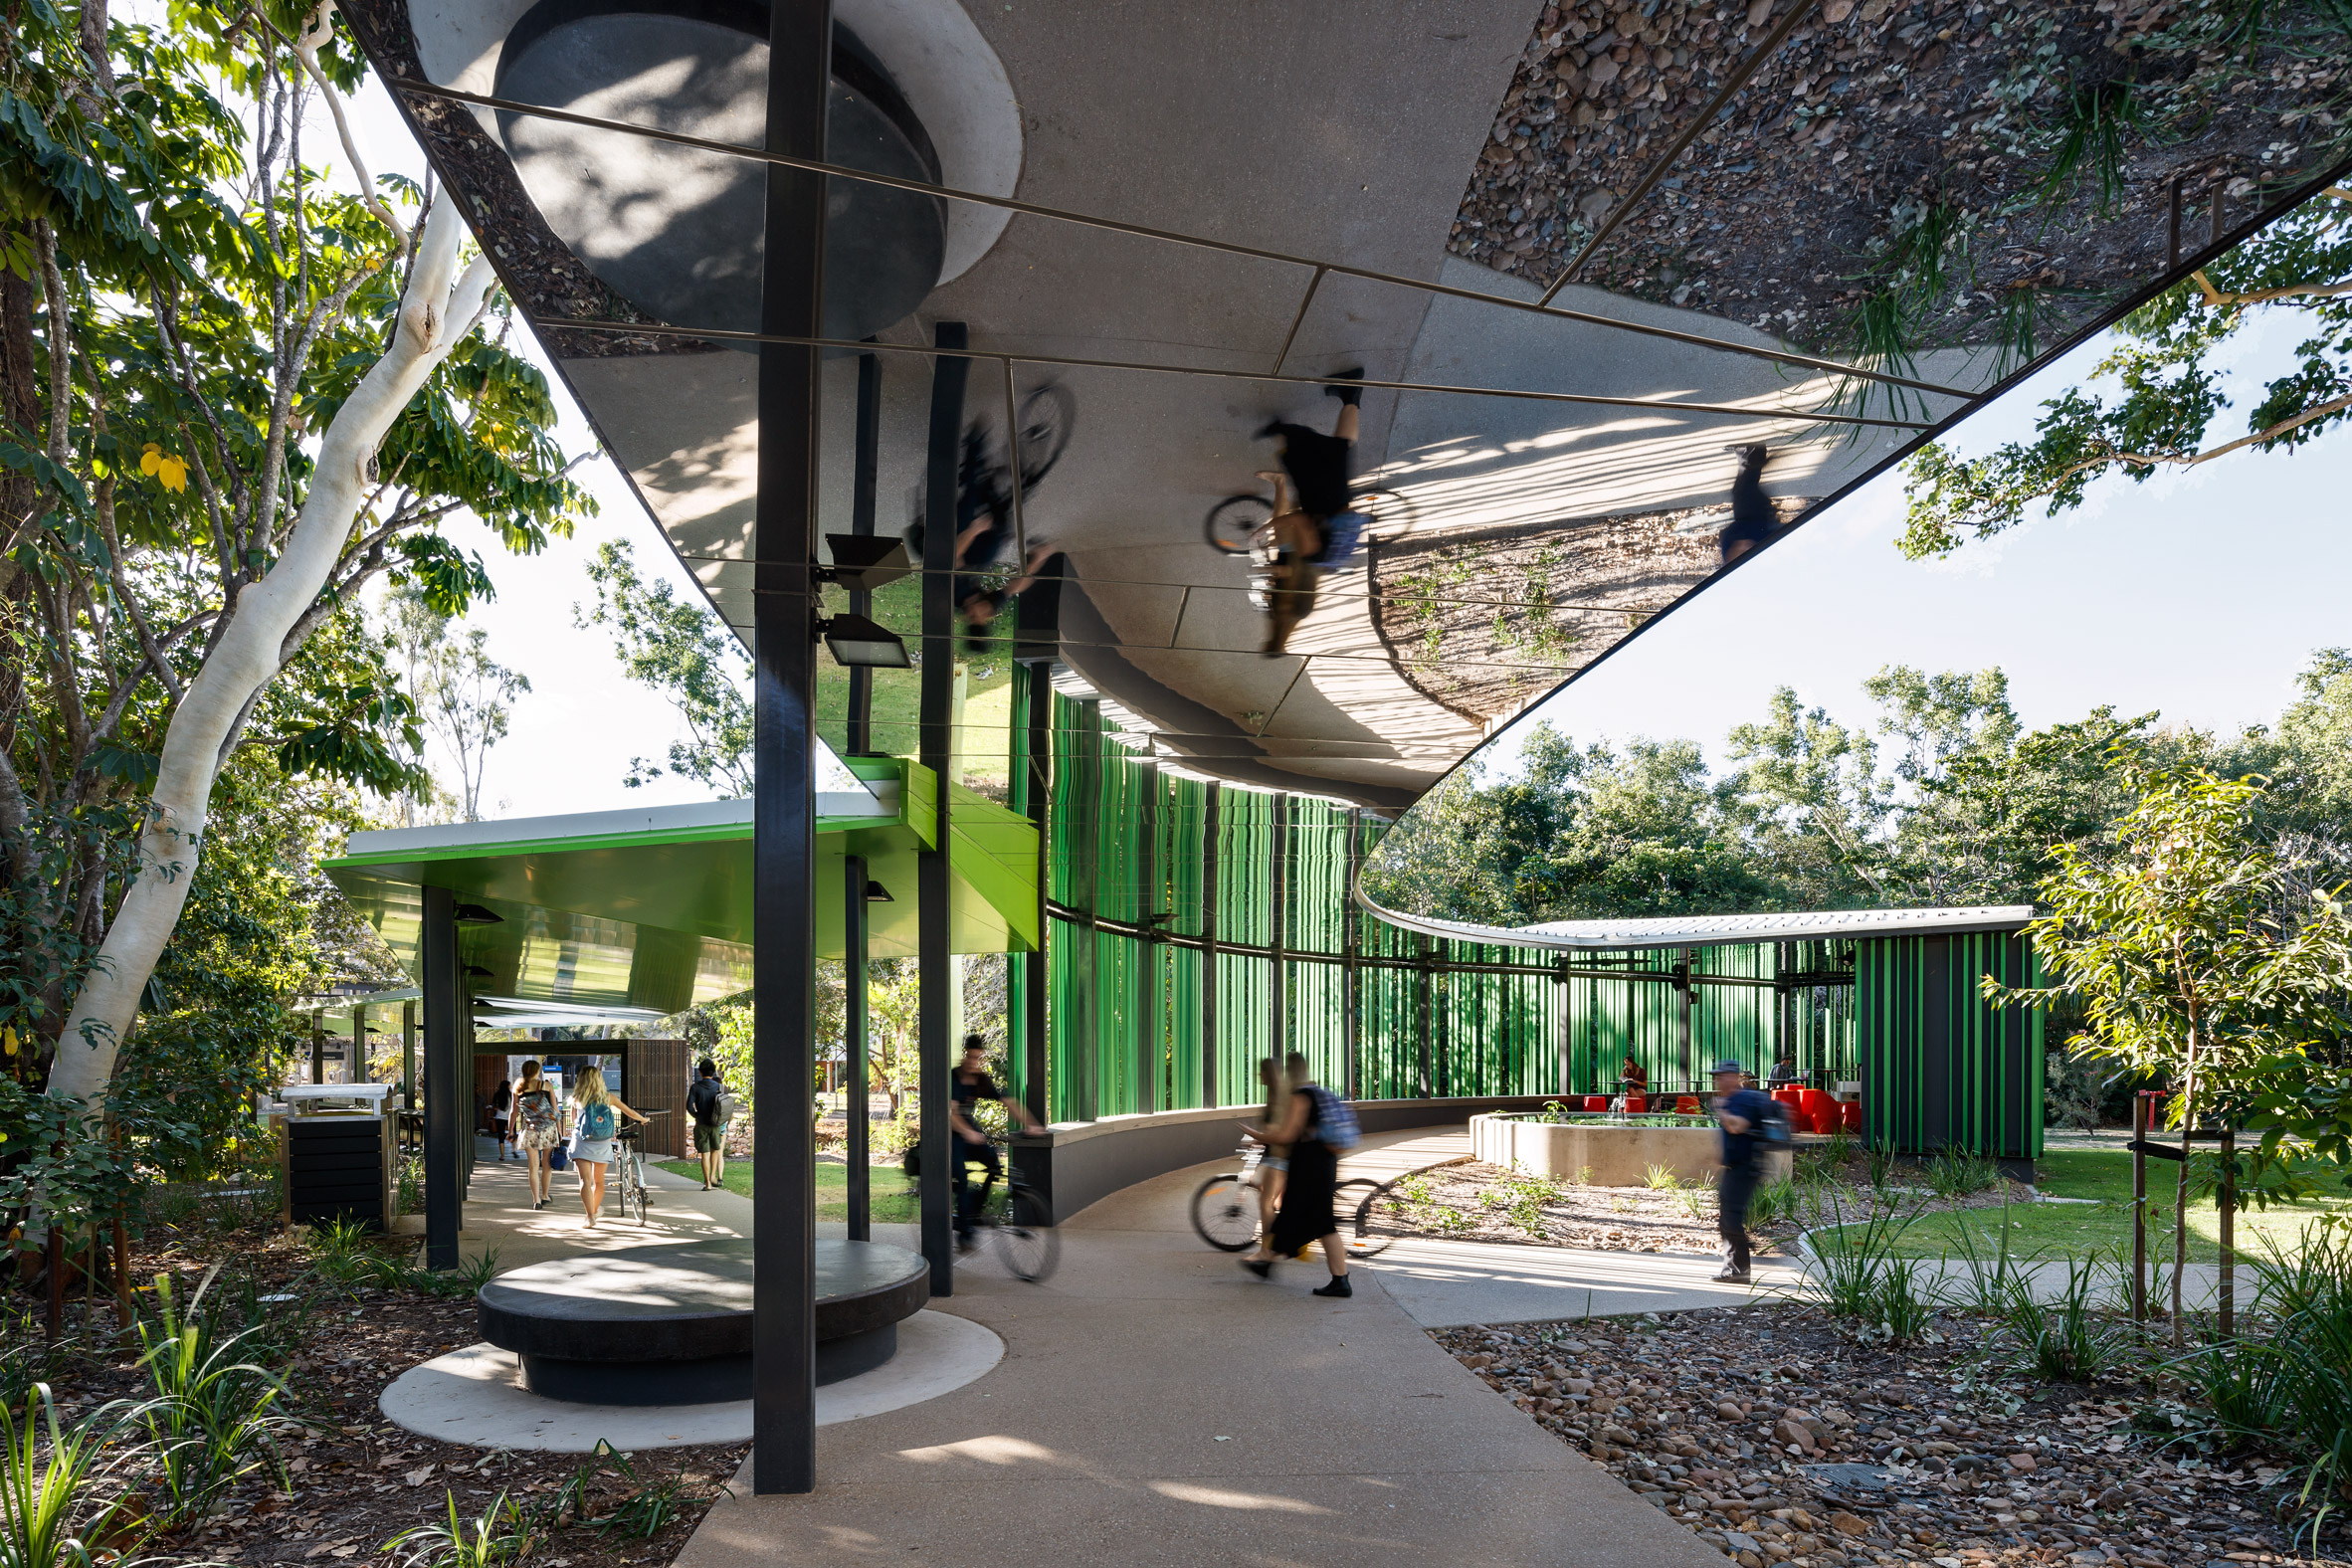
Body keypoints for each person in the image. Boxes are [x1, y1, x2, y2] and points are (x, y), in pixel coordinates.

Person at [1252, 368, 1365, 657]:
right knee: (1332, 450)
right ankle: (1289, 427)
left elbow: (1292, 567)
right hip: (1326, 504)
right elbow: (1298, 522)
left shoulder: (1299, 610)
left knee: (1339, 448)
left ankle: (1349, 396)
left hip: (1325, 509)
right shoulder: (1311, 559)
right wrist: (1265, 529)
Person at [1240, 1051, 1351, 1297]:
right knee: (1322, 1222)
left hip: (1309, 1167)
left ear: (1290, 1072)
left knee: (1296, 1215)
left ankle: (1268, 1260)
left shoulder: (1300, 1096)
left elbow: (1287, 1135)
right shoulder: (1318, 1092)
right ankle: (1339, 1279)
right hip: (1324, 1164)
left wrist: (1255, 1135)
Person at [948, 1035, 1042, 1251]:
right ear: (965, 1054)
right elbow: (951, 1114)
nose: (973, 1062)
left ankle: (972, 1211)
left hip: (969, 1133)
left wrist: (1031, 1125)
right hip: (952, 1135)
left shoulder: (981, 1079)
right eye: (970, 1057)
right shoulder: (954, 1077)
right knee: (961, 1178)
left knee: (994, 1164)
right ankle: (965, 1233)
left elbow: (1008, 1101)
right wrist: (967, 1132)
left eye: (977, 1058)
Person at [1709, 1058, 1778, 1284]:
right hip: (1736, 1167)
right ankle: (1737, 1268)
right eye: (1716, 1077)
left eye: (1721, 1076)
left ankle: (1739, 1270)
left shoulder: (1743, 1098)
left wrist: (1722, 1111)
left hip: (1747, 1167)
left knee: (1730, 1218)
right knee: (1728, 1217)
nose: (1718, 1081)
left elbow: (1738, 1126)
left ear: (1733, 1077)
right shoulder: (1732, 1100)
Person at [568, 1067, 648, 1228]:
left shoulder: (576, 1099)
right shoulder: (608, 1098)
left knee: (585, 1180)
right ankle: (595, 1209)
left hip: (582, 1142)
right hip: (601, 1143)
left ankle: (590, 1216)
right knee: (599, 1181)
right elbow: (629, 1112)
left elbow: (574, 1120)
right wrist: (643, 1120)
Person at [1242, 1056, 1297, 1238]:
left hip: (1282, 1156)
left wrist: (1255, 1135)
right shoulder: (1274, 1093)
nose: (1259, 1075)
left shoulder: (1281, 1097)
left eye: (1262, 1071)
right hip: (1277, 1154)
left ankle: (1268, 1249)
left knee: (1266, 1202)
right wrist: (1257, 1140)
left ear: (1268, 1073)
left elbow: (1278, 1133)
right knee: (1268, 1194)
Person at [1717, 444, 1780, 566]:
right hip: (1757, 516)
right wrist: (1744, 541)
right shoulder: (1755, 559)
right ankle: (1753, 453)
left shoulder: (1737, 564)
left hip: (1749, 518)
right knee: (1744, 488)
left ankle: (1753, 454)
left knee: (1743, 487)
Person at [511, 1061, 562, 1210]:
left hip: (529, 1130)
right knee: (546, 1164)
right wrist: (559, 1131)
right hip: (548, 1129)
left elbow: (514, 1112)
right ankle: (545, 1195)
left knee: (533, 1167)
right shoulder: (546, 1085)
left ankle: (536, 1200)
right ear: (537, 1071)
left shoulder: (519, 1088)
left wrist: (510, 1130)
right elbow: (555, 1111)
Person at [686, 1058, 731, 1190]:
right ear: (713, 1072)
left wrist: (697, 1115)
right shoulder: (719, 1087)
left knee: (704, 1154)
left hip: (701, 1125)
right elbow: (724, 1105)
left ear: (700, 1072)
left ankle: (708, 1183)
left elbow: (689, 1106)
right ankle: (713, 1176)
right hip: (716, 1125)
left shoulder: (695, 1087)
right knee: (715, 1151)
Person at [490, 1078, 513, 1162]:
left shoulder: (497, 1095)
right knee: (512, 1132)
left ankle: (502, 1155)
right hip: (509, 1117)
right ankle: (514, 1149)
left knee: (501, 1136)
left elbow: (494, 1106)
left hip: (499, 1117)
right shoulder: (511, 1095)